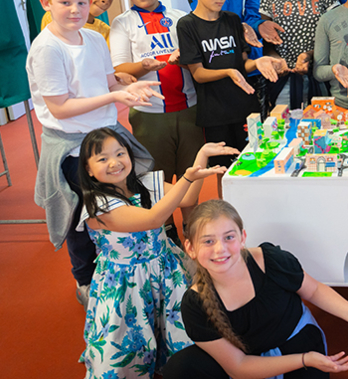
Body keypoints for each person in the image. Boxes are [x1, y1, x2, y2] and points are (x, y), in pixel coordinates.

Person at [26, 0, 161, 306]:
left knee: (135, 192)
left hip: (107, 135)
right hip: (72, 146)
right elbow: (60, 108)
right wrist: (115, 96)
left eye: (82, 3)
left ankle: (141, 262)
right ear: (46, 2)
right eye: (65, 3)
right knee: (83, 214)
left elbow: (107, 79)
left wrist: (128, 83)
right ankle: (85, 280)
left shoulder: (93, 38)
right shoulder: (47, 50)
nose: (75, 11)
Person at [161, 199, 348, 378]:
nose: (220, 249)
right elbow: (239, 366)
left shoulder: (270, 260)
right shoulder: (195, 304)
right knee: (181, 368)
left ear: (243, 237)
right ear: (190, 248)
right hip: (250, 360)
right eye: (208, 241)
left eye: (229, 237)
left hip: (297, 344)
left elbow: (313, 290)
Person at [77, 128, 238, 378]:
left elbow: (188, 198)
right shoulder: (98, 204)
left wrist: (202, 155)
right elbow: (154, 219)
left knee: (184, 336)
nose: (114, 162)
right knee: (126, 346)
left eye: (120, 153)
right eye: (102, 159)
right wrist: (186, 177)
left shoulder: (144, 182)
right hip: (125, 284)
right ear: (88, 169)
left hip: (165, 270)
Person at [111, 0, 204, 245]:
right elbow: (118, 69)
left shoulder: (180, 18)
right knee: (155, 185)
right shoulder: (122, 23)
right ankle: (166, 241)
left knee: (191, 182)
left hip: (190, 112)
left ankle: (194, 235)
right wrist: (146, 66)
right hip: (149, 116)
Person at [177, 0, 285, 196]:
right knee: (224, 174)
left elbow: (241, 64)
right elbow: (198, 73)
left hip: (245, 108)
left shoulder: (233, 20)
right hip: (216, 114)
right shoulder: (187, 25)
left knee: (252, 164)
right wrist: (228, 72)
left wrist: (257, 62)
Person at [260, 0, 339, 110]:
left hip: (320, 78)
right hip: (284, 82)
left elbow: (335, 37)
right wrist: (276, 59)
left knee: (323, 128)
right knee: (286, 128)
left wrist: (310, 55)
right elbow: (267, 43)